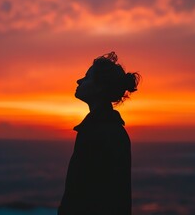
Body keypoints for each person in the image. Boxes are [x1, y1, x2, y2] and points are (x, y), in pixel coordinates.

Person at [58, 51, 141, 215]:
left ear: (99, 87)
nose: (79, 80)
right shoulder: (111, 129)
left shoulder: (98, 131)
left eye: (87, 77)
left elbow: (82, 193)